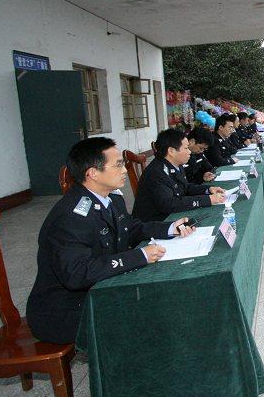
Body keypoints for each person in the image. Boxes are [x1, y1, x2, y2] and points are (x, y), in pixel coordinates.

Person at [26, 137, 195, 344]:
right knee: (151, 316)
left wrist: (170, 228)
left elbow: (131, 228)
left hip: (100, 291)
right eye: (118, 165)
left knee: (164, 297)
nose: (125, 170)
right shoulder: (70, 216)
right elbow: (78, 274)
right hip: (65, 311)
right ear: (93, 173)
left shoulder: (112, 198)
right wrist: (139, 256)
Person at [133, 129, 226, 222]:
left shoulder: (175, 164)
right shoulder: (156, 173)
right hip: (156, 223)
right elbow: (171, 204)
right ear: (171, 151)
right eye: (186, 148)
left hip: (172, 216)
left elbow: (185, 187)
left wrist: (207, 190)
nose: (189, 152)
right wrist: (207, 200)